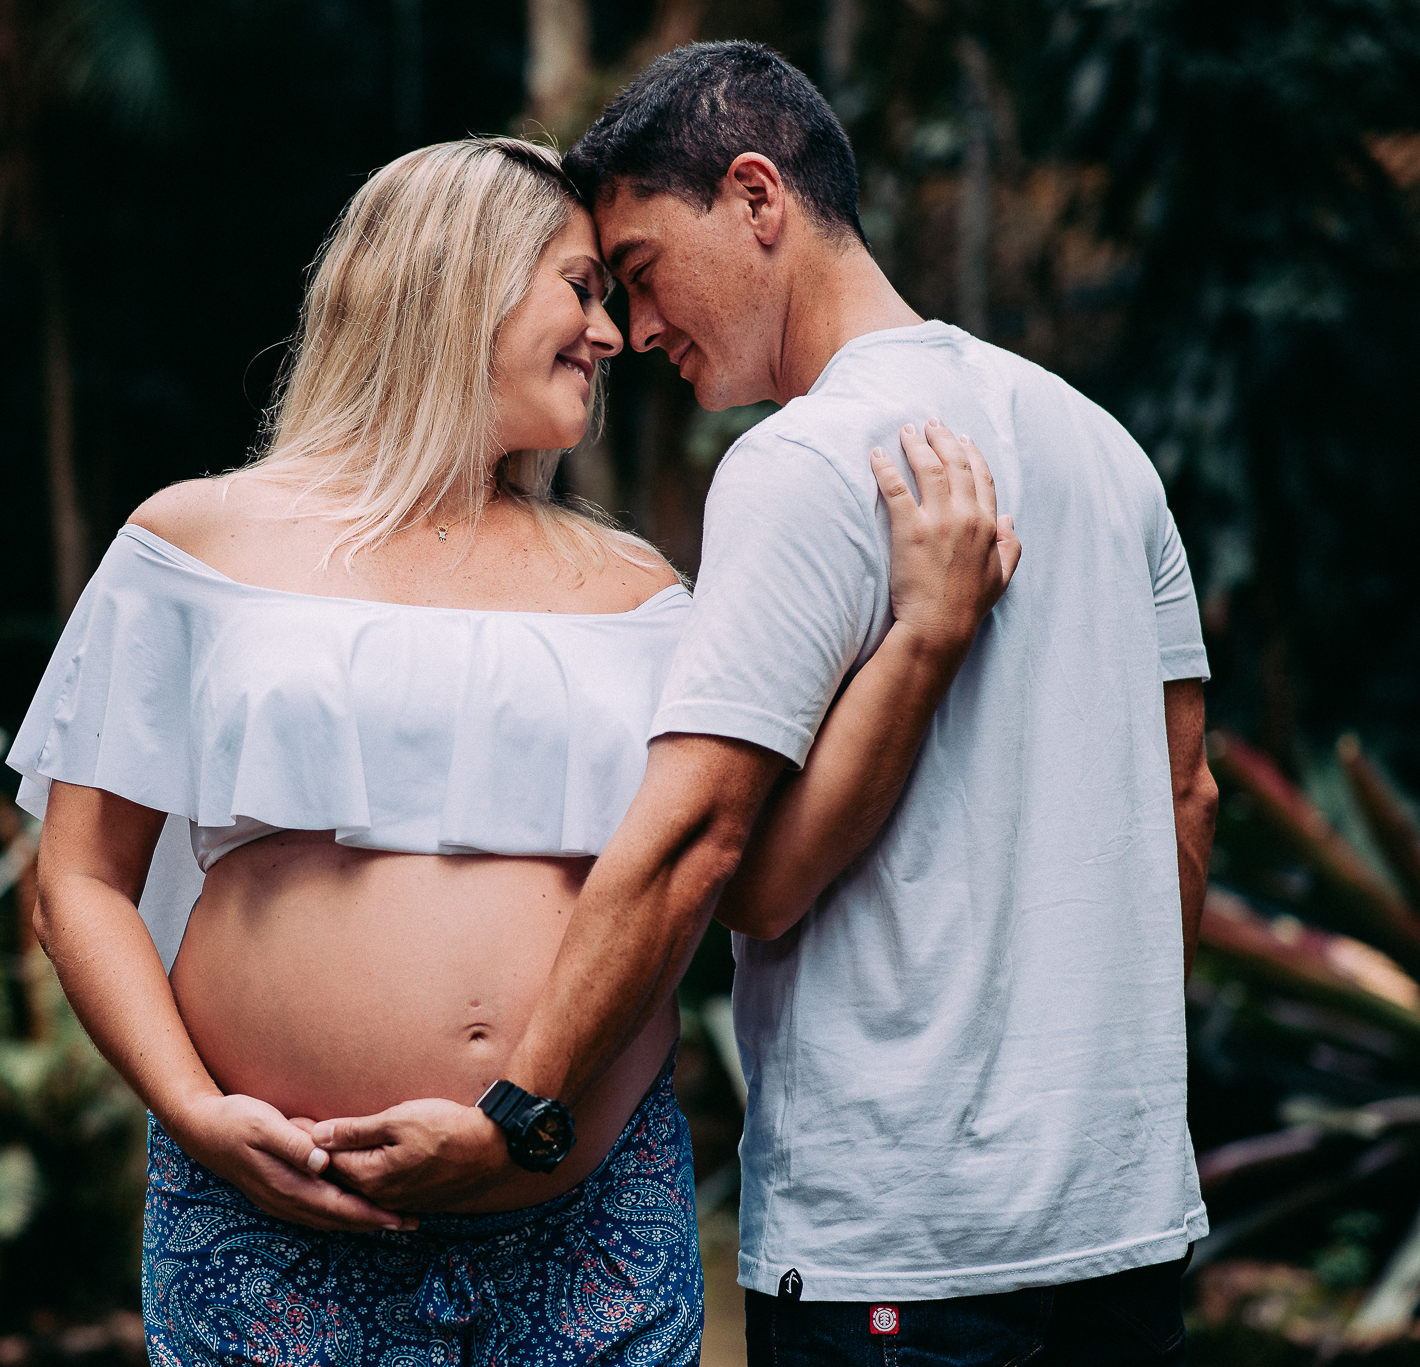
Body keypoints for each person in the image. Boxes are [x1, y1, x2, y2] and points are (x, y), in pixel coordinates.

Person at [9, 136, 1015, 1366]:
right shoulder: (191, 542)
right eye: (582, 287)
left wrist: (923, 636)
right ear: (455, 277)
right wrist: (195, 1112)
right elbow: (80, 879)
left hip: (582, 1215)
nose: (613, 332)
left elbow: (748, 863)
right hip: (268, 1218)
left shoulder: (640, 586)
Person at [311, 44, 1220, 1367]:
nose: (631, 327)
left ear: (755, 197)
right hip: (1122, 1231)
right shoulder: (1102, 445)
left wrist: (522, 1114)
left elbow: (713, 852)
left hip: (904, 1247)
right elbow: (1184, 796)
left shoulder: (799, 464)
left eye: (635, 270)